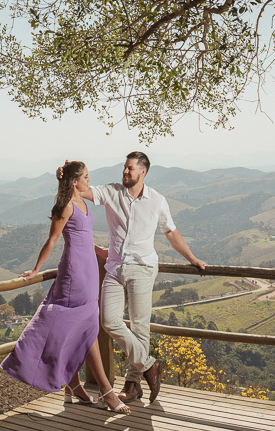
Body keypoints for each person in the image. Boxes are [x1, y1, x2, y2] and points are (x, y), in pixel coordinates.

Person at [0, 161, 130, 413]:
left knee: (86, 326)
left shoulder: (83, 203)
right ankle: (106, 391)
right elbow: (52, 240)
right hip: (73, 274)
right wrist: (36, 269)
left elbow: (84, 235)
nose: (89, 182)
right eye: (86, 177)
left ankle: (74, 385)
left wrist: (98, 250)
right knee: (85, 328)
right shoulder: (65, 207)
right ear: (74, 181)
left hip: (91, 269)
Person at [81, 151, 207, 404]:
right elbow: (82, 192)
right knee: (108, 320)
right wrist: (68, 175)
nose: (125, 172)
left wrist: (192, 259)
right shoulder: (111, 192)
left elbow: (171, 232)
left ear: (143, 172)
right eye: (124, 168)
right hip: (115, 268)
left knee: (140, 328)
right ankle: (150, 364)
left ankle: (133, 384)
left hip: (142, 268)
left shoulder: (157, 200)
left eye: (130, 169)